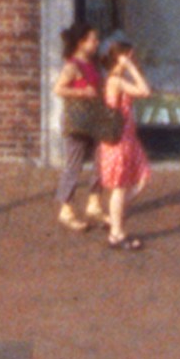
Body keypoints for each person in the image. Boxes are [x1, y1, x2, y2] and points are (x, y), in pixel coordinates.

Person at [94, 35, 156, 248]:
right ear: (123, 58)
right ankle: (116, 234)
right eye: (131, 56)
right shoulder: (116, 80)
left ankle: (114, 216)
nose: (134, 58)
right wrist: (130, 67)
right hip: (118, 140)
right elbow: (145, 91)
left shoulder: (117, 79)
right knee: (119, 188)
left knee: (143, 178)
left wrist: (129, 66)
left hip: (128, 139)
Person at [53, 21, 114, 231]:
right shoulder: (72, 66)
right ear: (81, 42)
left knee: (101, 161)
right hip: (78, 122)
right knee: (74, 165)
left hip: (95, 120)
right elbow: (59, 89)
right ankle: (66, 208)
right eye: (93, 39)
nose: (97, 43)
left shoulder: (93, 63)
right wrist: (80, 92)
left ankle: (94, 202)